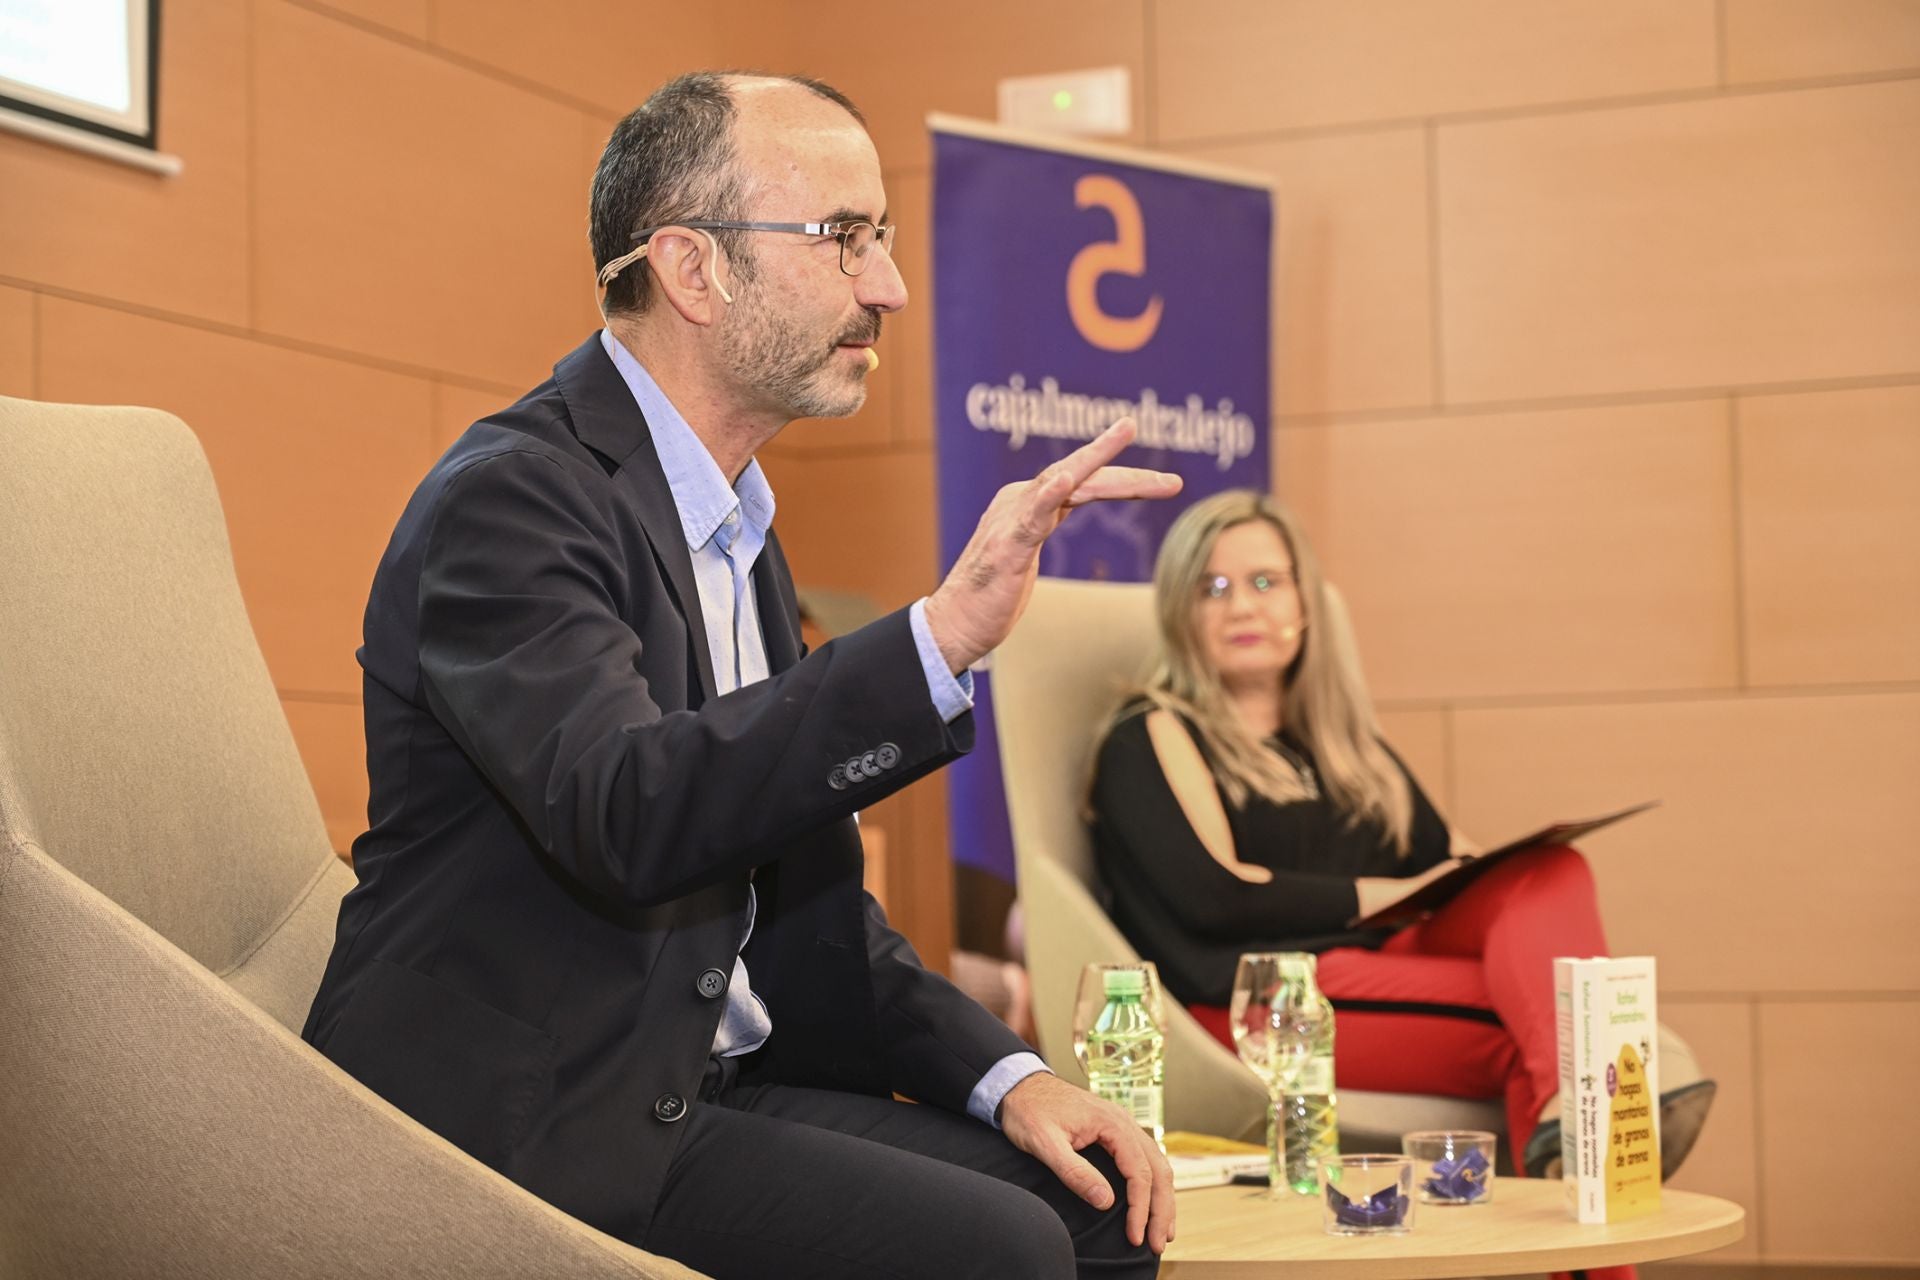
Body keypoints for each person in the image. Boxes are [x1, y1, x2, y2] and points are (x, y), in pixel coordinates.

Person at [302, 71, 1182, 1280]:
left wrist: (1008, 1075)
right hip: (540, 1111)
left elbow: (814, 901)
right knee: (1008, 1249)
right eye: (845, 238)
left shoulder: (736, 528)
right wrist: (935, 639)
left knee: (1103, 1208)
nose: (889, 285)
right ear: (692, 268)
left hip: (702, 1085)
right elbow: (629, 810)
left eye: (882, 240)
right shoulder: (511, 497)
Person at [1086, 491, 1715, 1224]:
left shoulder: (1345, 743)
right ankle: (1588, 1103)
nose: (1241, 608)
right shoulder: (1151, 733)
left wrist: (1492, 876)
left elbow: (1446, 864)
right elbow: (1217, 896)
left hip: (1379, 965)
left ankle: (1571, 1105)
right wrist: (1379, 895)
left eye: (1265, 582)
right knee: (1552, 1037)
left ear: (1306, 602)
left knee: (1548, 871)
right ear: (1180, 613)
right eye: (1212, 588)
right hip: (1264, 995)